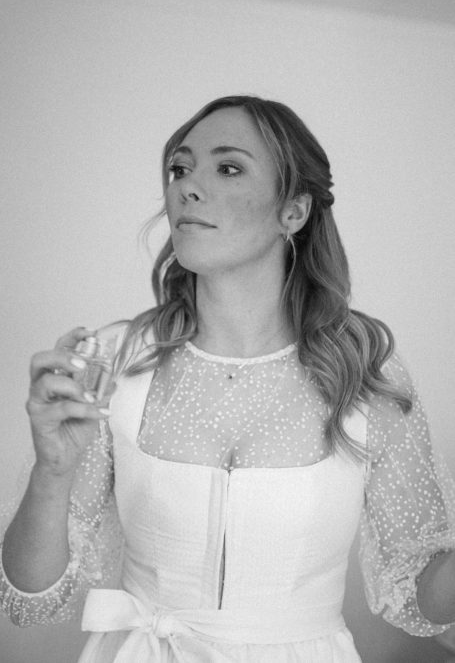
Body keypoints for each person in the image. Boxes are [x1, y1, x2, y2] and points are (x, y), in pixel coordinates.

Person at [1, 95, 455, 663]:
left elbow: (422, 600)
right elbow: (29, 603)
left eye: (229, 168)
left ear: (294, 211)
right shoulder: (116, 361)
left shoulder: (365, 371)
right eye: (180, 168)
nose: (187, 187)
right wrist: (51, 472)